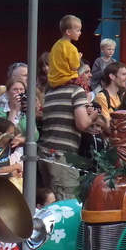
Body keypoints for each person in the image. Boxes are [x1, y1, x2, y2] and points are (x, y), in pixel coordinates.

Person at [38, 64, 100, 201]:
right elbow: (83, 124)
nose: (90, 76)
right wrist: (92, 117)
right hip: (62, 156)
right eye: (86, 73)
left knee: (52, 202)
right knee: (68, 204)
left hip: (45, 154)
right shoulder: (76, 91)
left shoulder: (50, 93)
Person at [47, 15, 83, 89]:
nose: (80, 33)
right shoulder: (71, 48)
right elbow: (74, 68)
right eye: (78, 30)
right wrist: (78, 59)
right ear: (68, 32)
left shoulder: (55, 46)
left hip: (54, 81)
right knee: (84, 88)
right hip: (67, 79)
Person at [95, 61, 126, 125]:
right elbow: (106, 125)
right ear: (112, 76)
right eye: (124, 74)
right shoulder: (102, 97)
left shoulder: (120, 97)